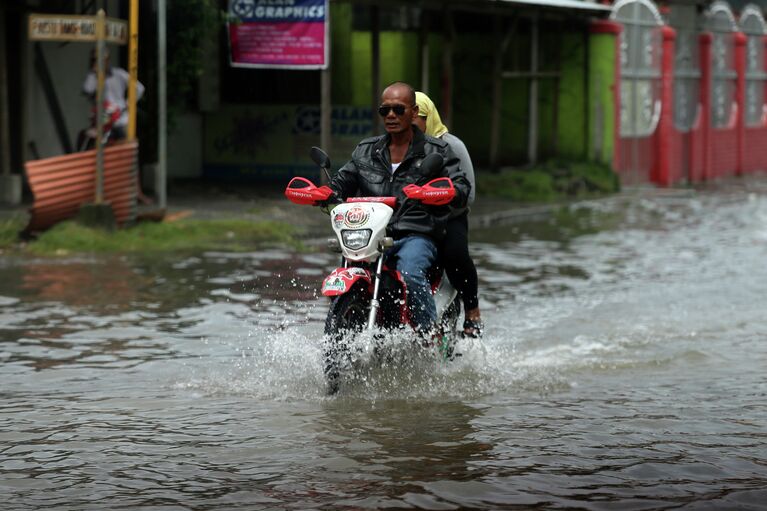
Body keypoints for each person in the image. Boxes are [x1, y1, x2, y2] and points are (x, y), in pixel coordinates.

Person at [327, 81, 471, 334]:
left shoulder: (437, 151)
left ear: (414, 112)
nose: (391, 115)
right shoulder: (366, 150)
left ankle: (427, 333)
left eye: (398, 109)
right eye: (385, 110)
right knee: (345, 268)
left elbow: (460, 186)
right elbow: (343, 180)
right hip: (371, 233)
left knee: (410, 272)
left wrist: (444, 191)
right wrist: (325, 192)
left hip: (414, 233)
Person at [413, 91, 483, 338]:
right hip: (407, 216)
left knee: (455, 254)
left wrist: (440, 200)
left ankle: (472, 310)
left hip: (449, 215)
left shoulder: (451, 145)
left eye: (418, 115)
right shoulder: (396, 145)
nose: (411, 120)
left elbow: (469, 192)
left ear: (428, 115)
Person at [82, 47, 149, 203]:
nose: (100, 62)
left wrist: (126, 104)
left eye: (102, 59)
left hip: (119, 120)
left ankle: (137, 192)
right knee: (96, 156)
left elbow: (139, 88)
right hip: (101, 124)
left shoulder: (118, 74)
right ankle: (97, 193)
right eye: (96, 59)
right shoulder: (93, 76)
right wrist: (94, 72)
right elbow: (87, 89)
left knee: (128, 156)